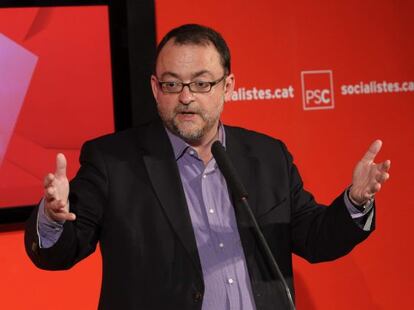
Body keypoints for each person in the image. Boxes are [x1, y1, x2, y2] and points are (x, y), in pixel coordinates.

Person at [25, 24, 390, 310]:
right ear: (155, 88)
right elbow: (61, 253)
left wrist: (355, 202)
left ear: (228, 85)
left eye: (201, 83)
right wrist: (53, 218)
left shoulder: (267, 155)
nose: (186, 97)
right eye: (172, 84)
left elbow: (313, 238)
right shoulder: (113, 161)